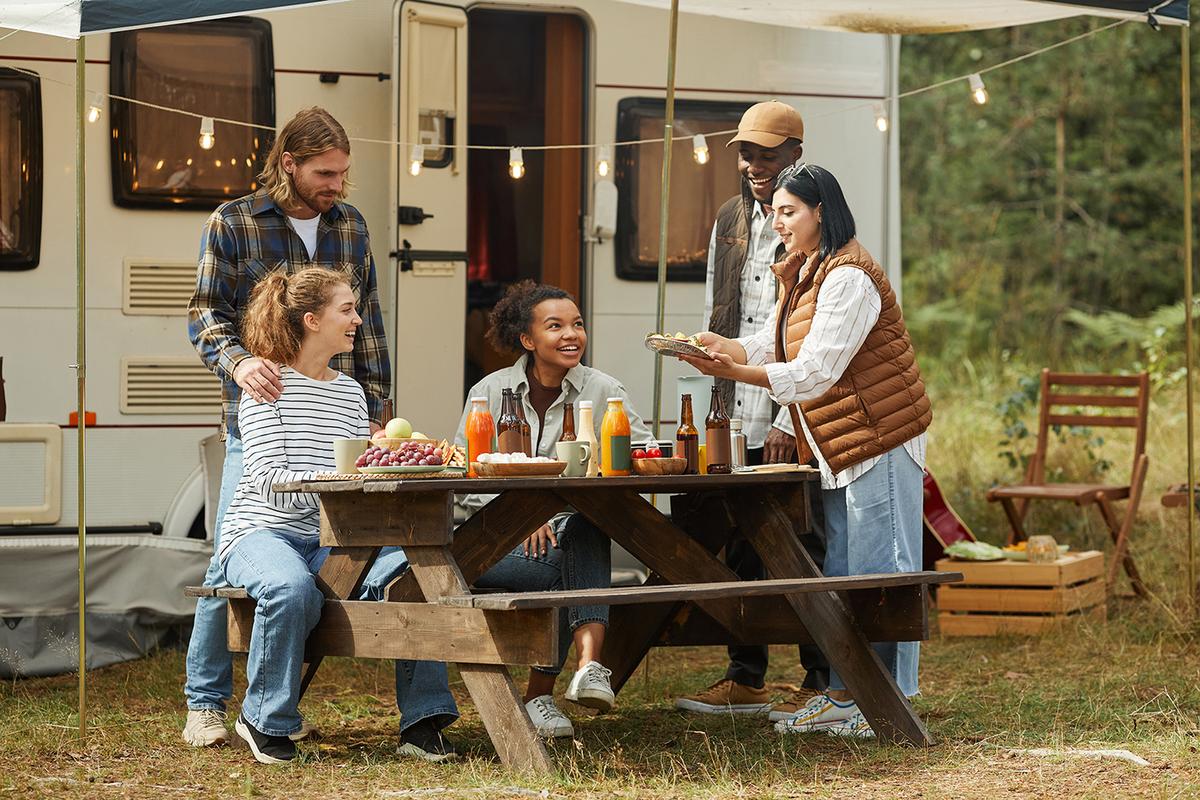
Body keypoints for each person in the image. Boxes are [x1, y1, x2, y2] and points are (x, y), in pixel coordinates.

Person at [184, 107, 458, 761]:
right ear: (290, 164)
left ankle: (404, 719)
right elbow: (204, 310)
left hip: (335, 416)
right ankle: (205, 703)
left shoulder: (350, 226)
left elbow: (371, 324)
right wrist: (240, 361)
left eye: (342, 172)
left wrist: (377, 417)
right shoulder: (236, 221)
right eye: (325, 172)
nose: (337, 184)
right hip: (263, 406)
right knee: (236, 555)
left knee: (376, 568)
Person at [679, 162, 931, 739]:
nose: (777, 222)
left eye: (788, 212)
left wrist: (736, 371)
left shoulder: (849, 277)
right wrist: (727, 345)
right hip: (842, 443)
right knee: (845, 570)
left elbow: (816, 370)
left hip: (879, 439)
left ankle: (880, 702)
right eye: (774, 213)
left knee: (879, 574)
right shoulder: (807, 270)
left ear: (822, 211)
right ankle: (851, 696)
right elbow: (776, 340)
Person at [676, 100, 831, 718]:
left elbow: (816, 335)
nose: (755, 164)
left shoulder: (818, 217)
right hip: (734, 401)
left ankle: (823, 682)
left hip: (791, 403)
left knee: (802, 540)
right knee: (738, 539)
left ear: (795, 152)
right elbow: (728, 314)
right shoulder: (729, 218)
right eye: (747, 152)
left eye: (768, 153)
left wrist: (793, 416)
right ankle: (747, 678)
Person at [454, 280, 654, 739]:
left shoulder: (604, 389)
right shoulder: (491, 391)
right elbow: (468, 473)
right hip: (488, 545)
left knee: (581, 532)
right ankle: (550, 689)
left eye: (577, 324)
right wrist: (517, 520)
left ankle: (575, 675)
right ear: (527, 340)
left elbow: (639, 454)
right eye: (556, 326)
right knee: (575, 555)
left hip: (564, 539)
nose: (571, 335)